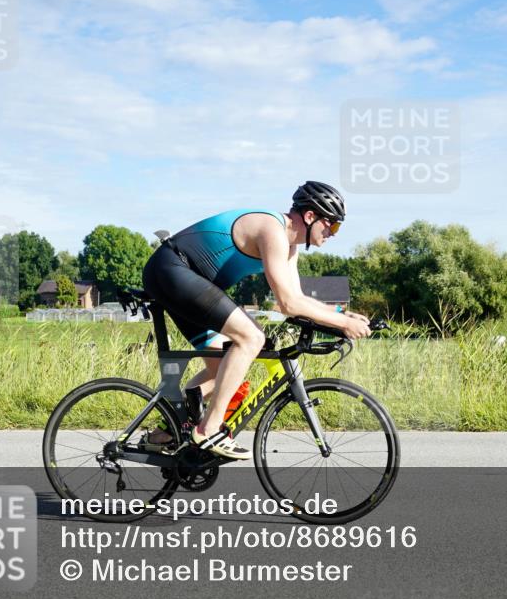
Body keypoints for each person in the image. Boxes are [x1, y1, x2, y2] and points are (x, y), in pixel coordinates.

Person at [141, 181, 372, 459]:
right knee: (251, 337)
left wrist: (341, 315)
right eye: (332, 225)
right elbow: (287, 303)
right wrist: (343, 324)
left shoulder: (290, 247)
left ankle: (167, 430)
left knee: (222, 367)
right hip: (172, 270)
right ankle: (208, 430)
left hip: (184, 279)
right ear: (310, 216)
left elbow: (296, 299)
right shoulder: (272, 230)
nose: (333, 233)